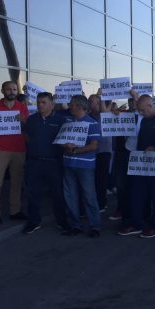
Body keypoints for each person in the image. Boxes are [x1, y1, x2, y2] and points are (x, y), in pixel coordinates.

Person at [118, 94, 155, 238]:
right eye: (138, 110)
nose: (140, 113)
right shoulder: (145, 121)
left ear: (150, 105)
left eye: (142, 110)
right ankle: (137, 223)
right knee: (136, 193)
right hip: (141, 163)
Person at [0, 81, 30, 225]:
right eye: (9, 89)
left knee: (16, 183)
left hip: (19, 150)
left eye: (14, 89)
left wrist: (25, 122)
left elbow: (29, 129)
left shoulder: (22, 107)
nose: (12, 91)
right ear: (2, 91)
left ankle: (15, 211)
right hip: (0, 150)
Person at [23, 92, 69, 234]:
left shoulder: (61, 120)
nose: (40, 105)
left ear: (52, 104)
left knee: (57, 194)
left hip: (53, 163)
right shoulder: (31, 120)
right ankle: (34, 221)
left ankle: (62, 221)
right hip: (34, 163)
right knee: (33, 194)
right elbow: (26, 136)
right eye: (38, 102)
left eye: (43, 102)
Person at [61, 95, 102, 238]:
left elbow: (94, 145)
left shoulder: (92, 123)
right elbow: (61, 140)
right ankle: (75, 225)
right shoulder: (68, 122)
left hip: (85, 166)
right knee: (70, 196)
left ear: (79, 106)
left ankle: (95, 226)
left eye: (71, 104)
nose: (69, 106)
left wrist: (75, 150)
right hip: (68, 164)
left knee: (89, 196)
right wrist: (65, 146)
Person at [88, 94, 113, 212]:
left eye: (91, 101)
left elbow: (105, 114)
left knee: (101, 178)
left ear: (99, 103)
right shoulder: (88, 116)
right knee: (93, 178)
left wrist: (103, 97)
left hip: (103, 150)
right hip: (91, 150)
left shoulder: (104, 115)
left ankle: (102, 203)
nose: (89, 103)